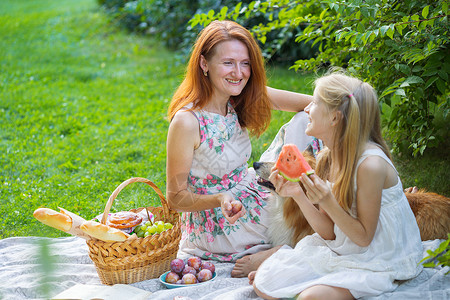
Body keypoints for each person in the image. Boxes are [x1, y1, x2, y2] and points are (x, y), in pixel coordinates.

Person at [249, 71, 424, 299]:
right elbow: (330, 233)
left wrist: (327, 201)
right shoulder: (328, 157)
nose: (307, 108)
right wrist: (298, 195)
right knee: (264, 284)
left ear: (334, 118)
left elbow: (363, 238)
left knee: (310, 297)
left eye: (315, 103)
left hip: (381, 257)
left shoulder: (371, 165)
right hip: (346, 246)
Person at [165, 20, 313, 268]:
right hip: (225, 219)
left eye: (245, 63)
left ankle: (304, 224)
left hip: (252, 188)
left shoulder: (238, 95)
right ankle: (279, 250)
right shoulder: (187, 122)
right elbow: (175, 198)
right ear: (204, 64)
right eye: (227, 63)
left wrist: (353, 96)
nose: (239, 72)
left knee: (307, 121)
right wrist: (220, 198)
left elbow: (314, 105)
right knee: (316, 219)